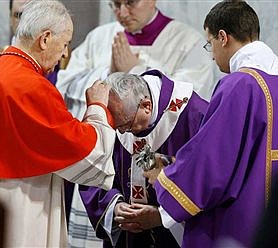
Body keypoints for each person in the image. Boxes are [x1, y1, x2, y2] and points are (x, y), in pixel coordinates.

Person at [0, 1, 116, 247]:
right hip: (19, 199)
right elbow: (89, 154)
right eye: (65, 43)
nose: (64, 53)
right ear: (45, 38)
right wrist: (98, 107)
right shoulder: (30, 86)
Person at [56, 1, 215, 246]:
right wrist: (107, 78)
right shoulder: (100, 37)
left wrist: (137, 70)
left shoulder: (188, 42)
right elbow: (65, 88)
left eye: (129, 2)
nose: (122, 12)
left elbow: (190, 93)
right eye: (114, 4)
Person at [143, 1, 278, 247]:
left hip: (241, 221)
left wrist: (165, 179)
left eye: (209, 44)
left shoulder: (239, 85)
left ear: (223, 37)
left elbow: (212, 162)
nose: (211, 55)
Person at [78, 70, 208, 247]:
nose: (121, 133)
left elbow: (207, 182)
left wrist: (162, 216)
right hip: (129, 238)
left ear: (146, 105)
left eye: (125, 125)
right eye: (116, 127)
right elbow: (92, 171)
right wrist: (115, 207)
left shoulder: (196, 115)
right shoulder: (116, 116)